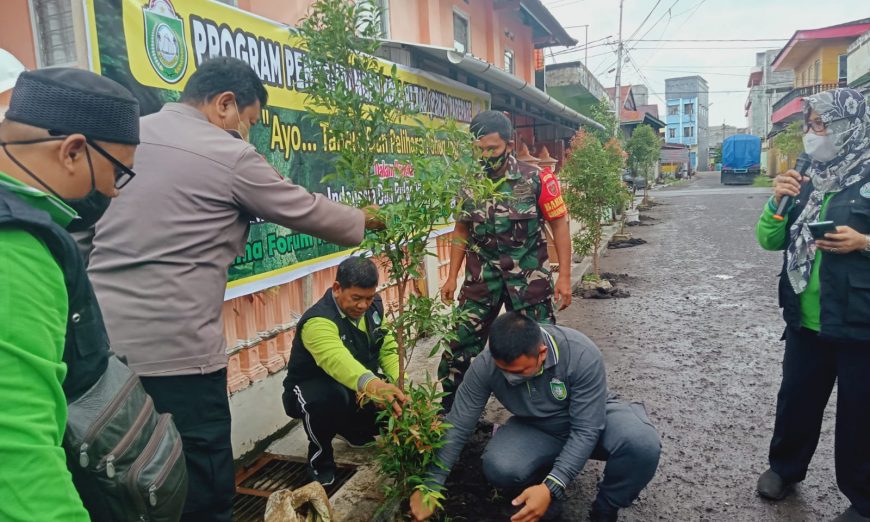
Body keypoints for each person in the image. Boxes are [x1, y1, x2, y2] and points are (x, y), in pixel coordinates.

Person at [84, 57, 380, 521]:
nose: (249, 133)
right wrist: (365, 219)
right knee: (202, 490)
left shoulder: (126, 138)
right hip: (180, 360)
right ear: (225, 104)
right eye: (251, 121)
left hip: (103, 358)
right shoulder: (226, 153)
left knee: (122, 486)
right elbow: (305, 209)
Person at [0, 68, 139, 521]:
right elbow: (17, 451)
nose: (113, 191)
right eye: (117, 171)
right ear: (73, 151)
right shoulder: (15, 245)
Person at [411, 313, 661, 522]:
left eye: (519, 371)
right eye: (503, 370)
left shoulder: (580, 353)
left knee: (641, 444)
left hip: (593, 417)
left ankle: (604, 509)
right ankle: (541, 485)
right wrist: (431, 484)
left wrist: (553, 485)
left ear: (542, 353)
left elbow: (586, 429)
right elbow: (459, 424)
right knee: (500, 467)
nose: (510, 378)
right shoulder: (486, 365)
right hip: (539, 427)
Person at [755, 88, 870, 522]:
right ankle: (784, 469)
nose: (812, 133)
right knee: (796, 400)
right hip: (806, 318)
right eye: (810, 125)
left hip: (860, 321)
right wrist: (777, 201)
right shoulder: (806, 179)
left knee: (861, 415)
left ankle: (864, 499)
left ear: (848, 126)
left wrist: (864, 241)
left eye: (821, 125)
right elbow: (769, 240)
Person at [438, 110, 573, 411]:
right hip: (481, 280)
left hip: (529, 282)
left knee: (540, 346)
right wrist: (451, 276)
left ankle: (545, 411)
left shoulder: (537, 178)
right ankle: (451, 414)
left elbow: (559, 224)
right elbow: (461, 230)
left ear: (509, 145)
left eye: (493, 149)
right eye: (479, 150)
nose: (486, 156)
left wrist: (564, 276)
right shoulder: (468, 183)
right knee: (459, 344)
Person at [282, 256, 406, 485]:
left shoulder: (374, 307)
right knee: (328, 399)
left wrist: (398, 383)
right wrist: (374, 386)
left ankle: (351, 429)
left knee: (392, 405)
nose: (363, 305)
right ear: (337, 288)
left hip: (354, 384)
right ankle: (320, 462)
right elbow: (337, 361)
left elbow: (386, 346)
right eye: (356, 298)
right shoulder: (318, 321)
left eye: (368, 298)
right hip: (313, 390)